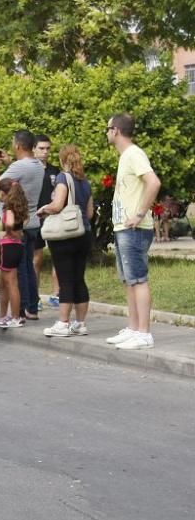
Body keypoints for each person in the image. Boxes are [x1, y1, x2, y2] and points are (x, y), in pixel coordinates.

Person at [105, 113, 161, 350]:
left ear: (115, 130)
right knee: (129, 280)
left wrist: (139, 213)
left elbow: (153, 182)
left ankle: (144, 333)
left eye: (107, 129)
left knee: (138, 279)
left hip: (135, 229)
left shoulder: (134, 154)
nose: (107, 133)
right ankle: (133, 328)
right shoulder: (126, 156)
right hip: (123, 227)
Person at [38, 144, 94, 338]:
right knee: (79, 278)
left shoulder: (63, 177)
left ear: (62, 160)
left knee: (65, 278)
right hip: (83, 233)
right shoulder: (85, 181)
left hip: (65, 236)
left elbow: (58, 204)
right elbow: (89, 212)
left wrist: (44, 209)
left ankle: (63, 322)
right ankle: (80, 323)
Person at [0, 130, 44, 320]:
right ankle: (32, 307)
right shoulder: (37, 165)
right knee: (28, 267)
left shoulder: (20, 167)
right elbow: (17, 180)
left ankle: (19, 310)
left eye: (14, 143)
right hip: (31, 222)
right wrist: (8, 163)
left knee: (18, 272)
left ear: (18, 146)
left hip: (16, 228)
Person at [0, 179, 27, 328]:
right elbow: (25, 221)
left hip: (9, 247)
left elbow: (10, 223)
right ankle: (2, 314)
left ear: (3, 193)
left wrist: (7, 232)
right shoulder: (19, 208)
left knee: (11, 283)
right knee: (1, 282)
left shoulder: (9, 209)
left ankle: (15, 316)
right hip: (15, 247)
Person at [35, 135, 61, 307]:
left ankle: (57, 294)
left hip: (52, 219)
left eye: (48, 149)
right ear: (33, 149)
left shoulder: (55, 171)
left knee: (57, 256)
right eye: (41, 148)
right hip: (35, 218)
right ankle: (34, 296)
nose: (45, 152)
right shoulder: (30, 169)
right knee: (36, 258)